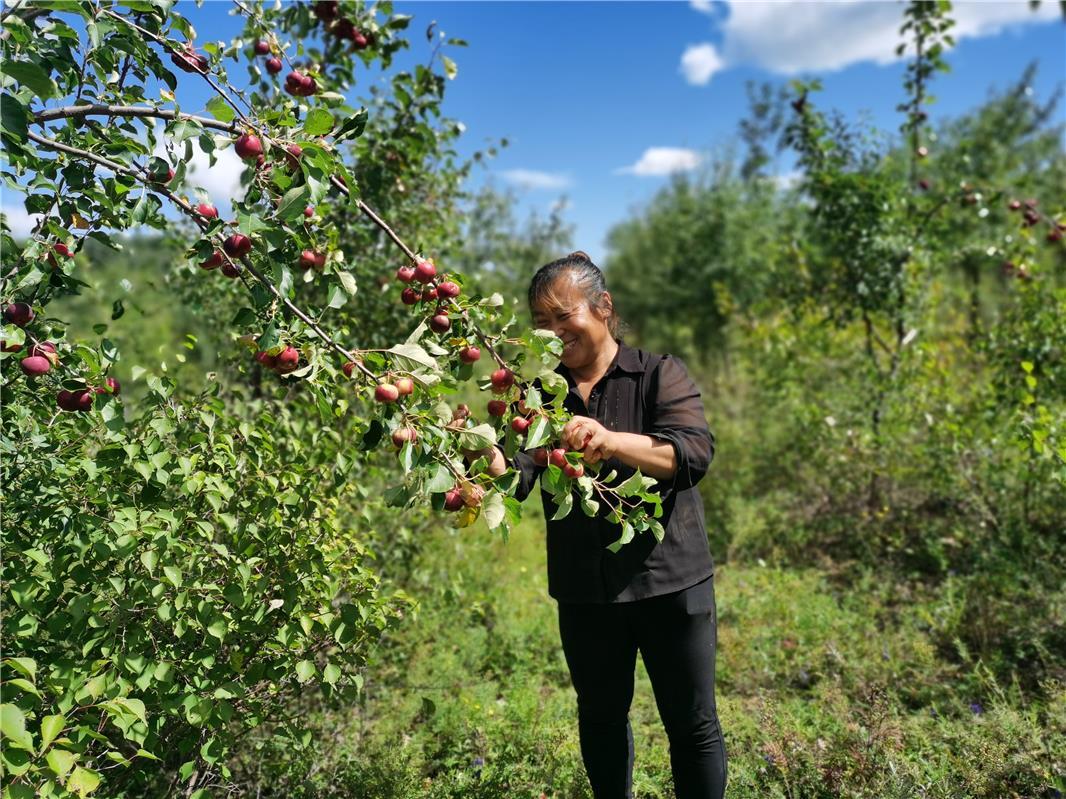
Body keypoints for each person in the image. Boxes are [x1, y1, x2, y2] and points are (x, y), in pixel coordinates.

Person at [467, 251, 727, 798]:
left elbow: (692, 456)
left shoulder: (658, 373)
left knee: (692, 723)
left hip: (671, 584)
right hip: (587, 592)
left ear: (603, 307)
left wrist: (610, 441)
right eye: (542, 324)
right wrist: (480, 456)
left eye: (565, 316)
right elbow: (516, 480)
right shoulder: (535, 396)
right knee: (602, 718)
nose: (555, 332)